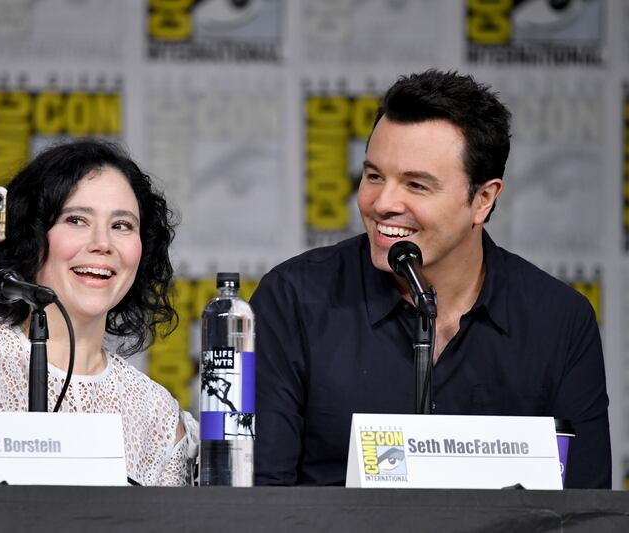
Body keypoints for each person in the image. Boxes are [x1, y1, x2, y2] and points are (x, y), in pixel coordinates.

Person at [251, 70, 611, 489]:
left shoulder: (559, 320)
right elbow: (259, 500)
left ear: (483, 199)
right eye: (373, 176)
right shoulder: (292, 300)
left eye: (416, 185)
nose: (382, 204)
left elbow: (585, 510)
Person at [0, 140, 198, 486]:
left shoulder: (156, 414)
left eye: (122, 226)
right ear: (30, 237)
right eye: (76, 220)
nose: (103, 243)